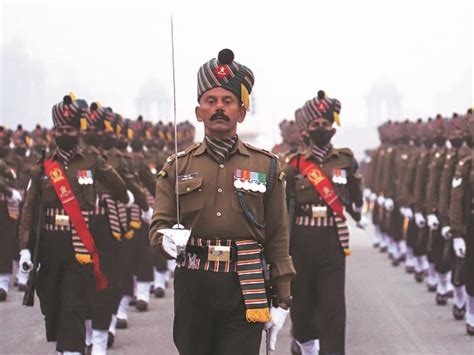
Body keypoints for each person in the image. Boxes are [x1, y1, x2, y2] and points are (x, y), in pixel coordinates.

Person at [149, 48, 295, 355]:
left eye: (227, 101)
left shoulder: (266, 166)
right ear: (199, 111)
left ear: (241, 112)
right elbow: (158, 227)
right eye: (211, 101)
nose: (219, 108)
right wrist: (166, 241)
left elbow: (278, 235)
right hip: (194, 284)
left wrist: (282, 297)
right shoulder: (177, 167)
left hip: (245, 286)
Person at [18, 94, 131, 355]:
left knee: (73, 303)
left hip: (80, 246)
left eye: (68, 129)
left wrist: (118, 198)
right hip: (49, 246)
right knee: (53, 303)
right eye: (59, 129)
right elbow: (29, 208)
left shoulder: (92, 161)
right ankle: (66, 346)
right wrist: (25, 248)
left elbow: (119, 187)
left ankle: (72, 350)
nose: (63, 133)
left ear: (77, 131)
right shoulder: (44, 167)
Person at [285, 90, 365, 355]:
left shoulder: (345, 159)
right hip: (301, 240)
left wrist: (357, 209)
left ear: (333, 127)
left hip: (332, 239)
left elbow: (356, 193)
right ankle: (306, 345)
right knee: (303, 304)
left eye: (326, 124)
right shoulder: (294, 164)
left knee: (332, 308)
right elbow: (285, 206)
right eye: (315, 125)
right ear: (306, 130)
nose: (322, 128)